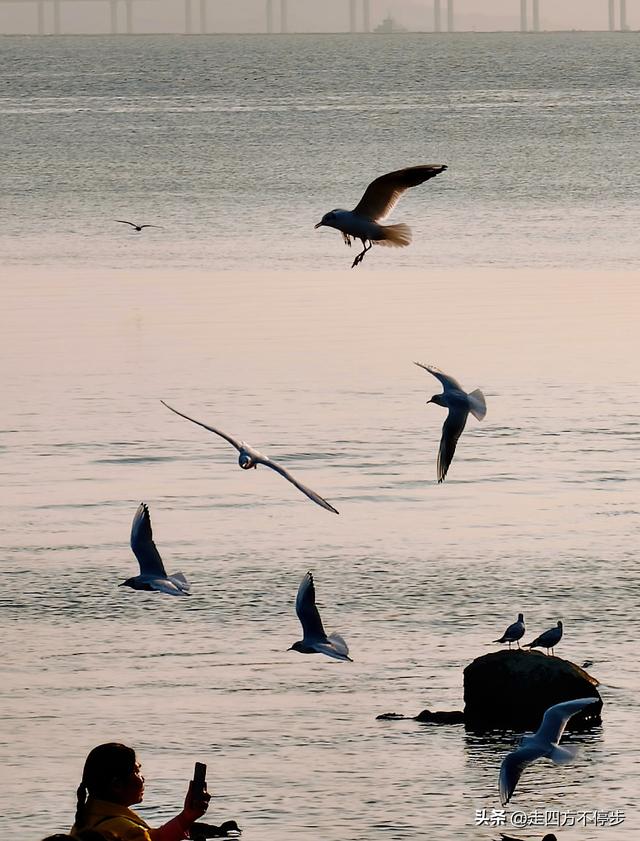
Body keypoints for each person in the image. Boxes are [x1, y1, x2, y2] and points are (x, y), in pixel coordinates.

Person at [70, 743, 210, 841]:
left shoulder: (84, 822)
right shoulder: (128, 831)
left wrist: (186, 817)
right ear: (117, 785)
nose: (143, 778)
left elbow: (156, 838)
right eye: (137, 771)